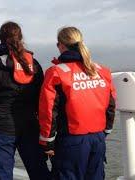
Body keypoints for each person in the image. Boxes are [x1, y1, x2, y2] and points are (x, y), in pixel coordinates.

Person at [39, 26, 116, 180]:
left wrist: (47, 142)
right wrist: (106, 131)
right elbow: (111, 104)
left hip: (71, 141)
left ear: (61, 45)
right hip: (98, 139)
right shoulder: (101, 71)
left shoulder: (56, 72)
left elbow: (48, 110)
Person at [0, 21, 50, 180]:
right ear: (21, 37)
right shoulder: (34, 64)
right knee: (39, 171)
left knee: (2, 174)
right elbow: (44, 99)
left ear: (1, 39)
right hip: (30, 126)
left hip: (1, 129)